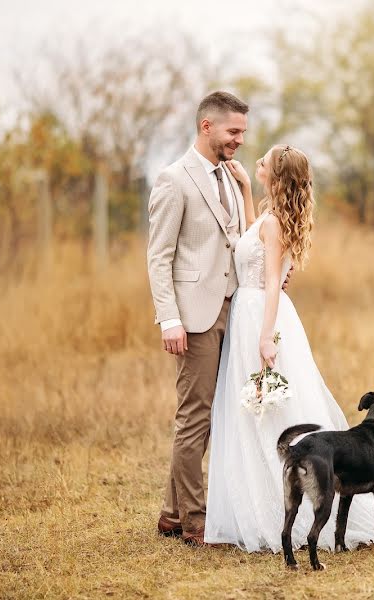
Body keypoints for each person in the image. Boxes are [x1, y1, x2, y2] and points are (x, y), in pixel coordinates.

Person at [203, 144, 374, 552]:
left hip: (260, 314)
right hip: (256, 311)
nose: (256, 164)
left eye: (263, 163)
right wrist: (245, 191)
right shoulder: (272, 218)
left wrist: (266, 336)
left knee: (267, 409)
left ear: (276, 174)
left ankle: (282, 506)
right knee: (258, 411)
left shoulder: (274, 224)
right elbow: (255, 240)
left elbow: (271, 280)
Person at [146, 91, 256, 546]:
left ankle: (172, 514)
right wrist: (169, 319)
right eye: (234, 131)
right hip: (194, 316)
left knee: (214, 415)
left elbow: (239, 241)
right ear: (206, 127)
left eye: (244, 133)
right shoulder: (174, 180)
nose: (240, 141)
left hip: (233, 307)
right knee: (195, 417)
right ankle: (194, 520)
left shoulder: (231, 177)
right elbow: (159, 257)